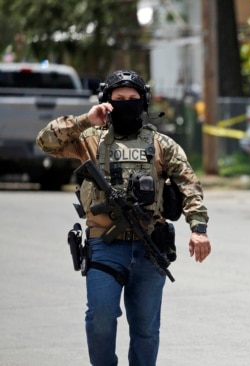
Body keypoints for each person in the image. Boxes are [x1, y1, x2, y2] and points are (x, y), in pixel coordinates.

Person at [36, 69, 211, 366]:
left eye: (133, 98)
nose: (127, 103)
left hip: (149, 247)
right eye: (119, 99)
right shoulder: (90, 139)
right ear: (107, 102)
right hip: (104, 245)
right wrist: (84, 120)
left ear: (143, 103)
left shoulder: (161, 144)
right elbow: (45, 141)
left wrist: (199, 229)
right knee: (100, 319)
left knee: (146, 330)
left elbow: (189, 184)